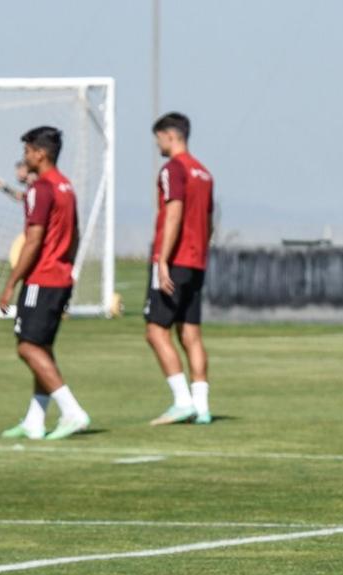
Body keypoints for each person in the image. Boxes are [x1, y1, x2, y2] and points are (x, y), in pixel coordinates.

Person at [0, 126, 91, 441]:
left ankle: (72, 412)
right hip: (61, 276)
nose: (24, 159)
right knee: (43, 348)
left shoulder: (42, 189)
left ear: (40, 153)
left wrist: (11, 283)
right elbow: (74, 234)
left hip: (42, 278)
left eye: (27, 152)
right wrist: (69, 270)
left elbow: (33, 241)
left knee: (27, 346)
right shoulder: (66, 187)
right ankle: (34, 420)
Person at [144, 111, 215, 425]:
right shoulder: (203, 172)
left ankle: (182, 401)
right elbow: (209, 222)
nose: (157, 144)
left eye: (158, 138)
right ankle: (202, 407)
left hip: (175, 261)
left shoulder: (173, 168)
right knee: (191, 334)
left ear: (170, 136)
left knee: (155, 331)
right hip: (197, 261)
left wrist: (162, 259)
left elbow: (174, 213)